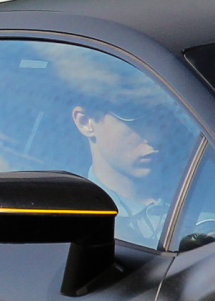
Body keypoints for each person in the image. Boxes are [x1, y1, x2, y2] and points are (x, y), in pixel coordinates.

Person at [49, 46, 185, 244]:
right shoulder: (70, 218)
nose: (155, 136)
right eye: (135, 120)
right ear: (85, 122)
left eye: (161, 119)